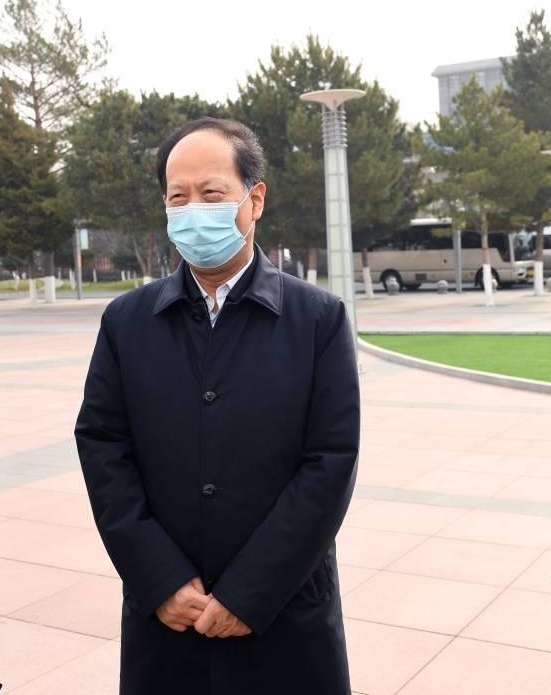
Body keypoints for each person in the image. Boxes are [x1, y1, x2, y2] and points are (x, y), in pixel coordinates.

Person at [75, 118, 360, 695]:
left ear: (255, 200)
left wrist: (250, 591)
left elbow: (329, 463)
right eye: (178, 197)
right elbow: (103, 448)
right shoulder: (127, 322)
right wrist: (159, 578)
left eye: (211, 194)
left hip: (282, 613)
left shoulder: (317, 320)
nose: (193, 211)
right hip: (168, 617)